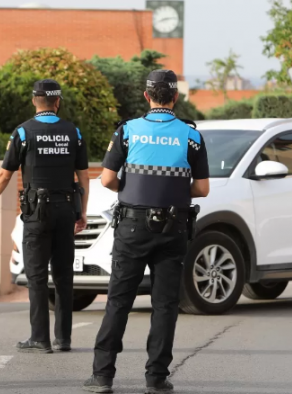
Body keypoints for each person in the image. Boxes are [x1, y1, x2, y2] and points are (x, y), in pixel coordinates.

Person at [83, 70, 210, 394]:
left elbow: (108, 180)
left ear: (146, 96)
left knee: (119, 301)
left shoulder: (127, 131)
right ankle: (156, 378)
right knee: (165, 304)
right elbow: (203, 188)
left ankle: (102, 376)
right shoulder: (191, 135)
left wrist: (135, 189)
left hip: (132, 225)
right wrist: (174, 190)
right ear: (176, 97)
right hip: (173, 226)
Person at [0, 79, 90, 354]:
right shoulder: (73, 132)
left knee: (37, 276)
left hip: (37, 212)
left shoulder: (23, 132)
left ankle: (40, 338)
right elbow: (83, 176)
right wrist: (82, 212)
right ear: (57, 101)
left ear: (33, 100)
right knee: (64, 276)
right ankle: (63, 338)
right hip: (65, 210)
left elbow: (5, 174)